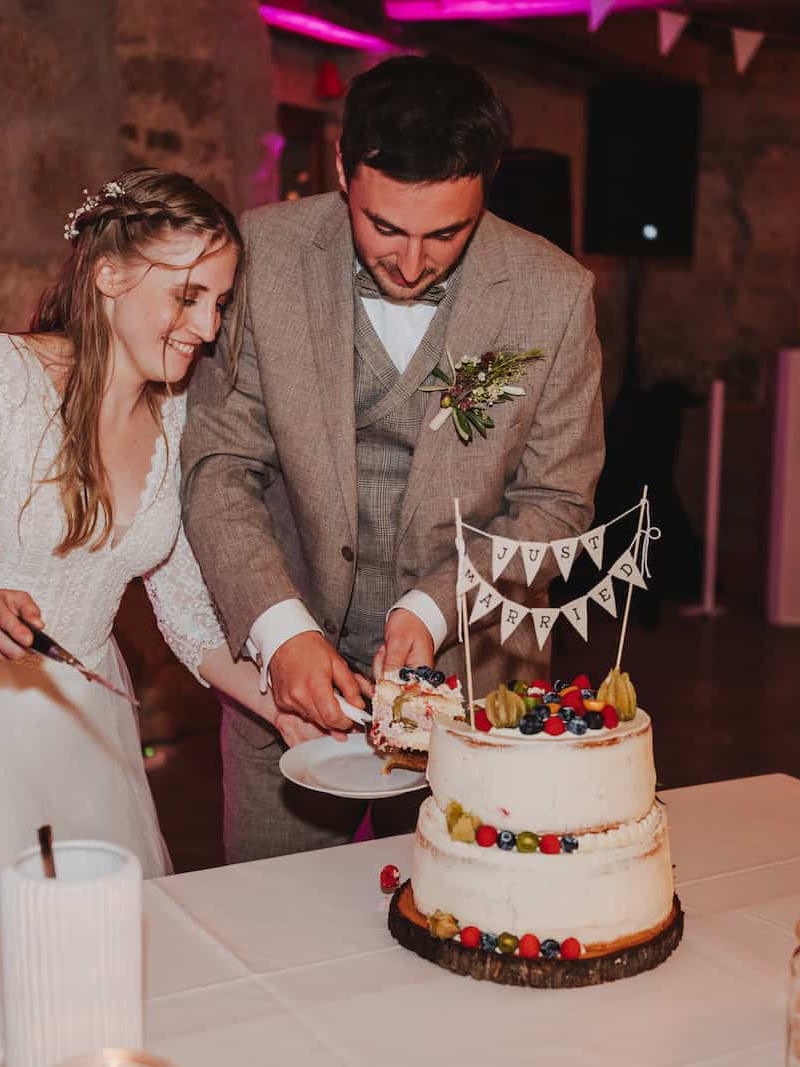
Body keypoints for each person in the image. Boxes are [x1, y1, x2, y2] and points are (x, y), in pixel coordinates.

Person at [0, 168, 303, 920]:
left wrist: (279, 705)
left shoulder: (177, 417)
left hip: (85, 729)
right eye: (188, 297)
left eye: (218, 302)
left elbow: (183, 610)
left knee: (87, 966)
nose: (208, 328)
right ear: (109, 275)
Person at [182, 55, 605, 863]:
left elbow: (556, 504)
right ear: (343, 166)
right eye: (385, 228)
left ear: (488, 182)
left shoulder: (554, 294)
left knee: (474, 923)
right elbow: (217, 466)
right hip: (285, 690)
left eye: (446, 233)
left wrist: (435, 608)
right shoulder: (258, 258)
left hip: (482, 687)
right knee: (279, 933)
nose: (412, 265)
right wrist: (278, 629)